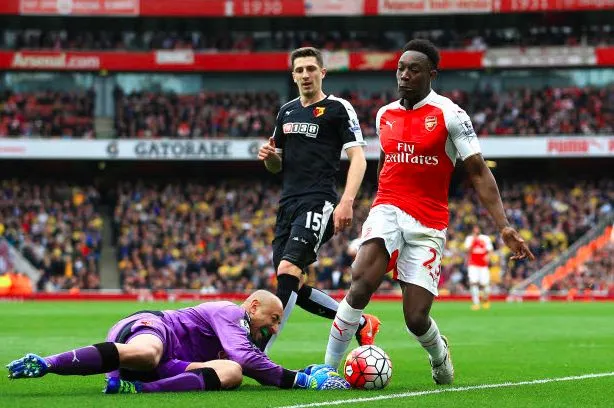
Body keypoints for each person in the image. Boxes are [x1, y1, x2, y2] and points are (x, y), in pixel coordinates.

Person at [323, 39, 535, 385]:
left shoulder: (450, 114)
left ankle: (439, 354)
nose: (404, 75)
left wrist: (505, 227)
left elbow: (479, 172)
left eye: (414, 69)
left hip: (428, 222)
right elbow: (385, 162)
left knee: (416, 317)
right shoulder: (384, 114)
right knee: (360, 282)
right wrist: (376, 203)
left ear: (431, 74)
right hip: (388, 207)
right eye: (401, 69)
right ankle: (328, 370)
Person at [258, 47, 380, 353]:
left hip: (319, 202)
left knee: (287, 270)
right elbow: (277, 165)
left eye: (311, 69)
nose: (305, 75)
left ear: (322, 73)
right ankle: (361, 323)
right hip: (287, 205)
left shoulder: (338, 108)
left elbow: (358, 159)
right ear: (293, 75)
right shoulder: (286, 112)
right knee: (292, 285)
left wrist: (347, 201)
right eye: (299, 70)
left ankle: (257, 352)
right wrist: (270, 157)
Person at [6, 290, 349, 393]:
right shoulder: (231, 313)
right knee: (149, 352)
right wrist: (302, 381)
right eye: (274, 320)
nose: (275, 329)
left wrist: (308, 370)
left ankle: (135, 389)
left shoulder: (249, 337)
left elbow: (250, 366)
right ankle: (47, 363)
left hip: (168, 368)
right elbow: (246, 355)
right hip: (152, 328)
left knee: (230, 372)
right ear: (253, 306)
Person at [464, 225, 495, 310]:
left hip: (483, 265)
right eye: (474, 229)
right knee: (473, 282)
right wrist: (474, 241)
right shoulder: (469, 239)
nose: (476, 230)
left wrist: (488, 256)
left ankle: (485, 300)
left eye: (477, 228)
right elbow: (467, 250)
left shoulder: (485, 238)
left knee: (485, 284)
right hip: (473, 264)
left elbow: (490, 250)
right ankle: (476, 302)